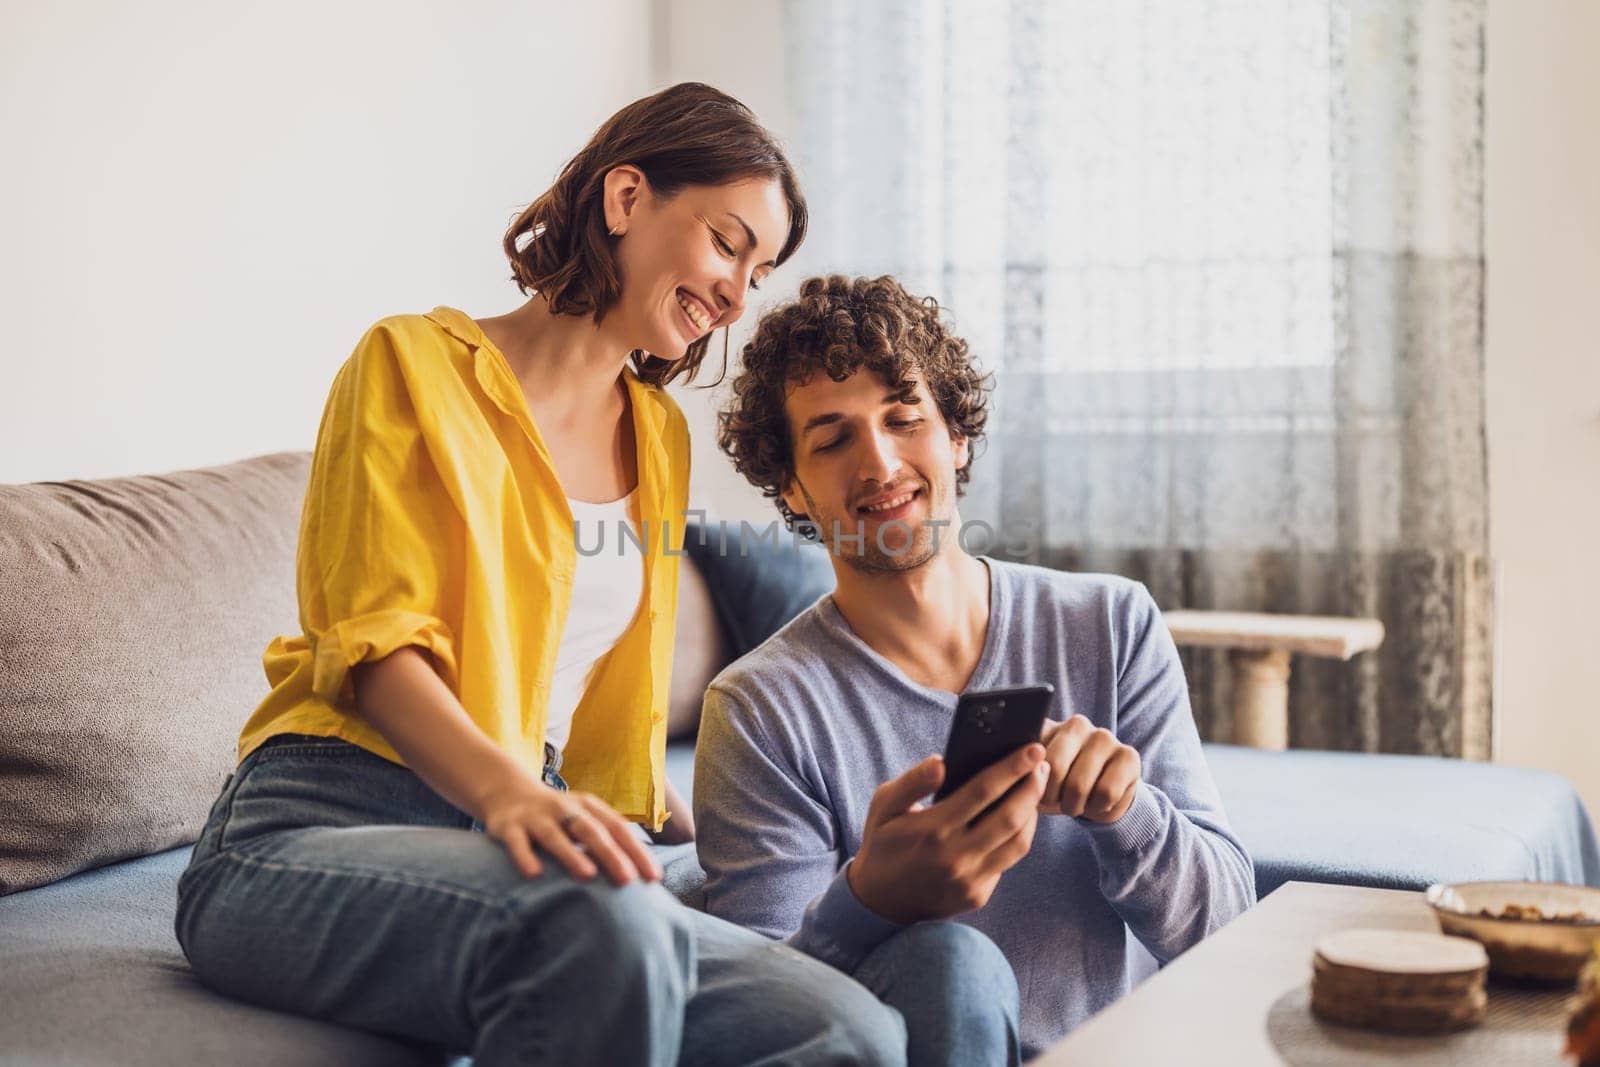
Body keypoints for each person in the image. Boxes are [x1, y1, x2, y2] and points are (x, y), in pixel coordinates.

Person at [174, 87, 906, 1067]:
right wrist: (512, 793)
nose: (739, 295)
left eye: (760, 270)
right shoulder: (410, 363)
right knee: (603, 920)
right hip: (317, 819)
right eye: (729, 243)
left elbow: (602, 716)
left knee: (847, 1028)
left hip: (526, 837)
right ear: (625, 197)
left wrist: (709, 829)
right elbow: (377, 649)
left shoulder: (657, 436)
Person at [699, 274, 1257, 1063]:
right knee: (949, 964)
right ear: (791, 485)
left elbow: (1234, 926)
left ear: (956, 434)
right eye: (832, 439)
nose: (881, 462)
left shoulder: (1111, 623)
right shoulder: (759, 708)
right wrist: (869, 900)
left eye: (905, 418)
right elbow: (753, 1023)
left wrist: (1129, 811)